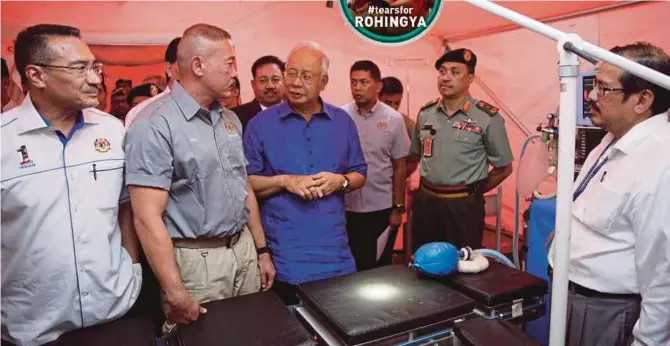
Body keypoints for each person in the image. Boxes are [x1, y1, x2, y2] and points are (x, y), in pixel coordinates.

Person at [124, 23, 275, 328]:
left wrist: (260, 250)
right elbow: (146, 218)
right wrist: (175, 291)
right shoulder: (153, 124)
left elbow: (242, 186)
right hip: (196, 262)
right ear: (198, 66)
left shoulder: (230, 119)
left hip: (242, 251)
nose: (236, 72)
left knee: (249, 334)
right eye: (229, 63)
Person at [1, 24, 142, 346]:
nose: (95, 78)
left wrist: (132, 266)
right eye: (79, 68)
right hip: (31, 325)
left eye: (95, 67)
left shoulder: (113, 131)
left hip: (115, 311)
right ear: (36, 75)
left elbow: (125, 206)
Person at [548, 42, 670, 346]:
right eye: (593, 85)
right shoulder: (614, 139)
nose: (590, 95)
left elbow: (664, 273)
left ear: (642, 100)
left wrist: (647, 342)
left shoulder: (660, 162)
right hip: (575, 296)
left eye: (604, 89)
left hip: (607, 311)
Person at [244, 42, 367, 305]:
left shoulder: (342, 122)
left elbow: (360, 174)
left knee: (341, 321)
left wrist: (340, 181)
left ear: (323, 82)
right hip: (285, 252)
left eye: (306, 76)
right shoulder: (259, 125)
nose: (295, 83)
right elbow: (247, 184)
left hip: (336, 250)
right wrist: (285, 181)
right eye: (291, 73)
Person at [409, 48, 513, 251]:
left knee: (463, 267)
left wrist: (473, 191)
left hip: (463, 207)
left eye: (455, 72)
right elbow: (414, 155)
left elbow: (504, 168)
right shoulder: (426, 113)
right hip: (426, 202)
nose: (446, 78)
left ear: (471, 78)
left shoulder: (487, 118)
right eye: (442, 72)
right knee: (424, 262)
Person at [341, 60, 410, 270]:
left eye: (364, 82)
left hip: (380, 207)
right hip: (347, 207)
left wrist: (398, 209)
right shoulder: (341, 116)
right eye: (353, 82)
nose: (358, 88)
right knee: (351, 266)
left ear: (378, 86)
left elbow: (400, 167)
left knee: (380, 266)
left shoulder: (394, 120)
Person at [125, 37, 181, 128]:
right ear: (169, 68)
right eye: (185, 63)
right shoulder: (142, 112)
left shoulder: (209, 109)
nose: (196, 70)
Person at [232, 55, 285, 133]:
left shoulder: (296, 112)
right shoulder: (235, 117)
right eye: (263, 80)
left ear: (284, 81)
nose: (270, 86)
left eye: (275, 79)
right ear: (253, 85)